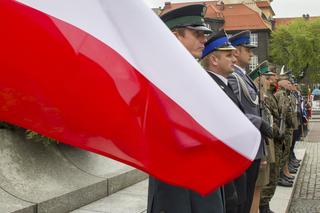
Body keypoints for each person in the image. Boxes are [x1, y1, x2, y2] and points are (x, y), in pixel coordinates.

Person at [147, 5, 225, 213]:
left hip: (203, 182)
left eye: (204, 34)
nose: (204, 40)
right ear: (175, 37)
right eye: (197, 34)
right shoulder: (161, 79)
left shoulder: (191, 76)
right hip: (179, 190)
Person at [200, 30, 247, 213]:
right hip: (226, 178)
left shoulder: (223, 84)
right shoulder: (211, 87)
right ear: (214, 60)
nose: (234, 59)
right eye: (228, 55)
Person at [227, 30, 271, 213]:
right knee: (242, 200)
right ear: (237, 51)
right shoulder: (234, 77)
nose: (251, 53)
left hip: (252, 146)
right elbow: (238, 113)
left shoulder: (242, 76)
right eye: (247, 49)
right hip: (243, 147)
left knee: (247, 197)